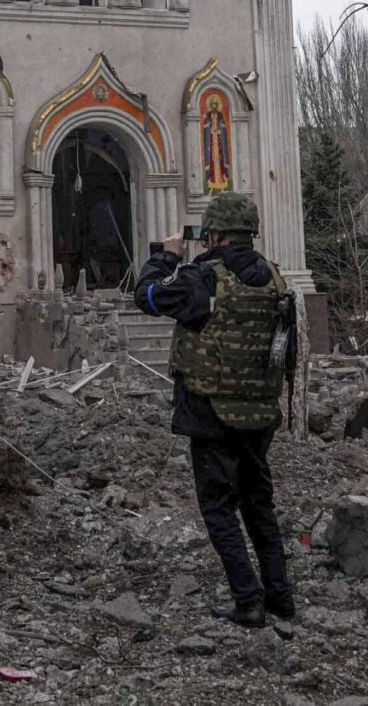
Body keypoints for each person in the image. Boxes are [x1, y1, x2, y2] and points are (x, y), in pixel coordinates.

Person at [132, 191, 298, 627]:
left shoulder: (201, 278)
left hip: (212, 411)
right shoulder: (275, 279)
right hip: (260, 411)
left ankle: (248, 601)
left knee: (219, 507)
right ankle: (280, 595)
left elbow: (146, 296)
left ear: (215, 234)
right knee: (258, 504)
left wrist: (166, 257)